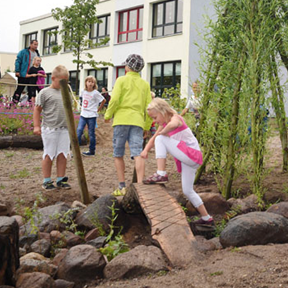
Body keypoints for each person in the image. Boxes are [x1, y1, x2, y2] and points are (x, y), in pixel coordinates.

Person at [140, 98, 214, 227]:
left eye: (155, 117)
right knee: (188, 190)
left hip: (191, 155)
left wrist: (162, 133)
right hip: (189, 160)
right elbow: (153, 139)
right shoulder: (163, 125)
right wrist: (145, 150)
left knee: (161, 138)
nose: (154, 121)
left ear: (163, 111)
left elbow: (173, 125)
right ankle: (207, 218)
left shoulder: (176, 117)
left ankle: (161, 173)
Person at [104, 54, 153, 196]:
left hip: (121, 119)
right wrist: (147, 126)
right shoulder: (145, 84)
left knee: (118, 154)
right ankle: (140, 187)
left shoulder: (121, 80)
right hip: (137, 121)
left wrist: (108, 115)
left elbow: (114, 100)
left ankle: (122, 186)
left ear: (127, 67)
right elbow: (149, 107)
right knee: (138, 153)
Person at [33, 65, 71, 191]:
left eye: (66, 81)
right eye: (62, 81)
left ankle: (60, 178)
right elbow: (37, 109)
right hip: (50, 128)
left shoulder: (66, 92)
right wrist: (37, 126)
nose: (64, 84)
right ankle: (47, 180)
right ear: (54, 78)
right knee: (49, 154)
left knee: (62, 154)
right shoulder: (44, 93)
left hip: (64, 128)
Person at [79, 76, 106, 157]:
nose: (90, 83)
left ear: (94, 84)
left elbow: (103, 100)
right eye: (89, 82)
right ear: (86, 83)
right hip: (83, 114)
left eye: (92, 82)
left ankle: (91, 150)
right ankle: (75, 150)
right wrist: (81, 105)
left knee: (91, 133)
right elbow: (82, 99)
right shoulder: (83, 91)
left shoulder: (95, 93)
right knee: (79, 130)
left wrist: (99, 109)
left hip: (92, 115)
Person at [13, 39, 40, 104]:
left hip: (32, 75)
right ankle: (13, 104)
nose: (36, 46)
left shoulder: (37, 53)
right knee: (19, 89)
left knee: (31, 90)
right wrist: (17, 71)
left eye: (37, 45)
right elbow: (18, 61)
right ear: (30, 44)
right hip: (23, 74)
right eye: (34, 44)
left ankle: (30, 105)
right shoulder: (23, 52)